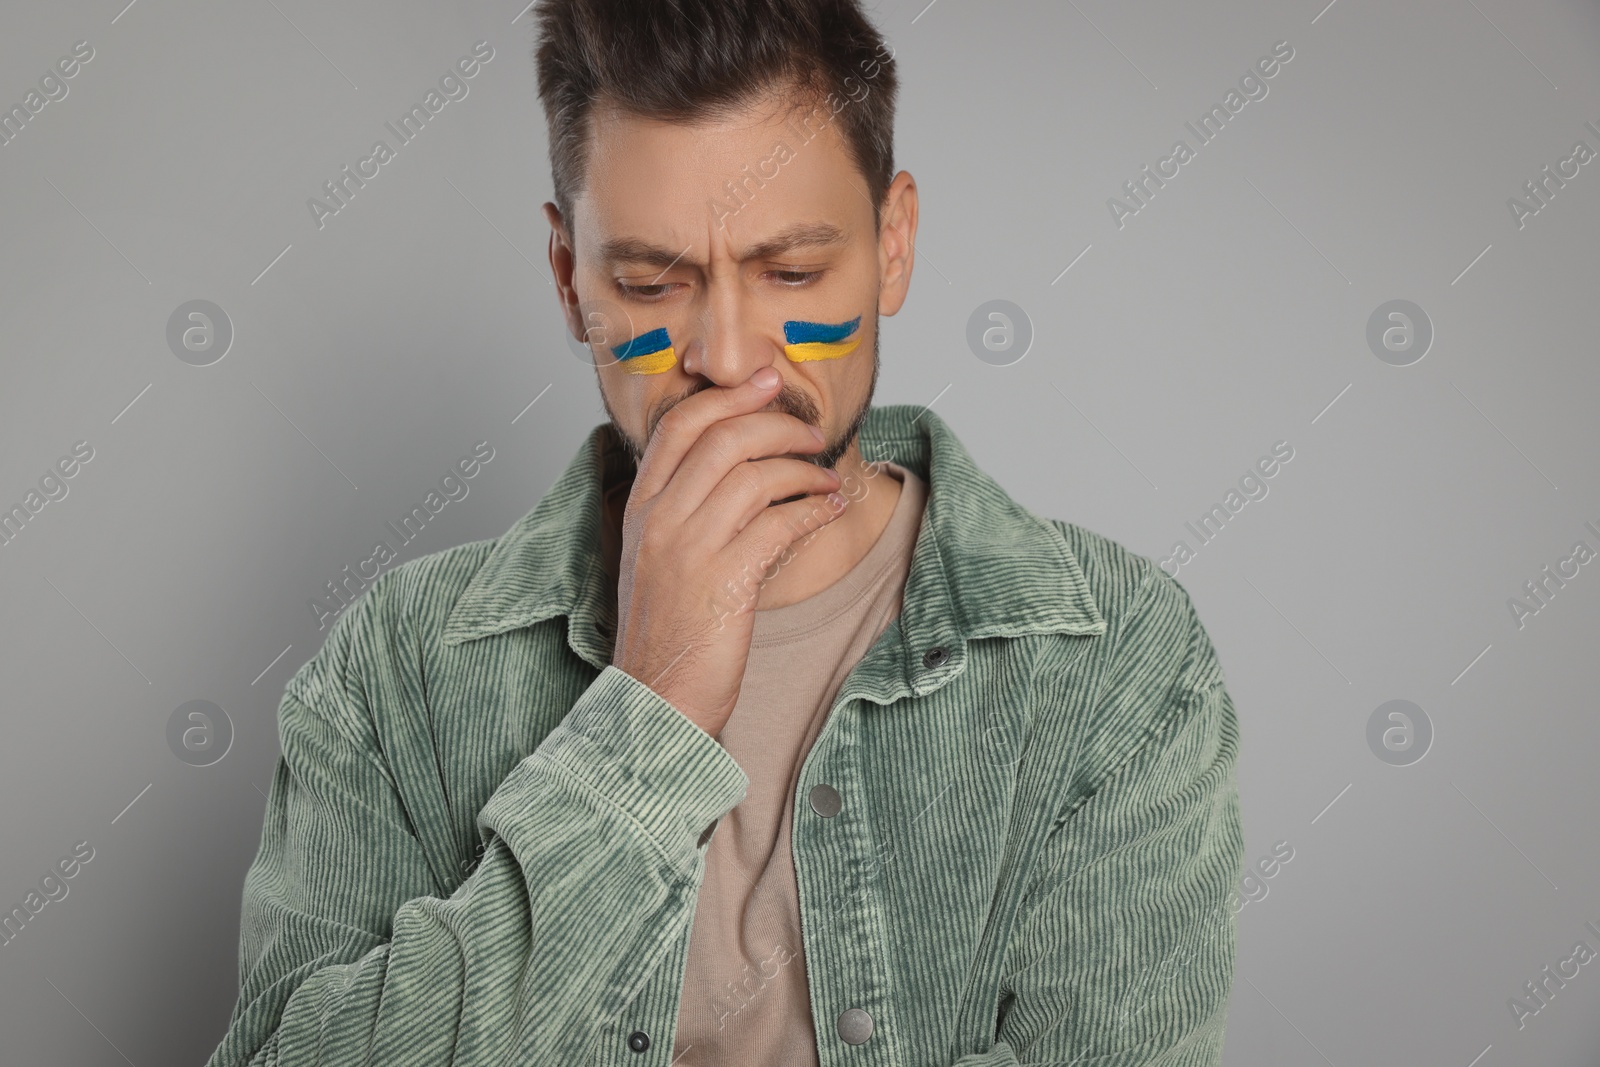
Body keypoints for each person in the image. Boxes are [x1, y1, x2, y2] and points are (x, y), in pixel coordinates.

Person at [206, 1, 1246, 1064]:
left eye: (791, 273)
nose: (730, 357)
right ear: (570, 280)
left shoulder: (1114, 660)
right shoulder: (398, 668)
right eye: (651, 284)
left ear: (892, 247)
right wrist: (648, 716)